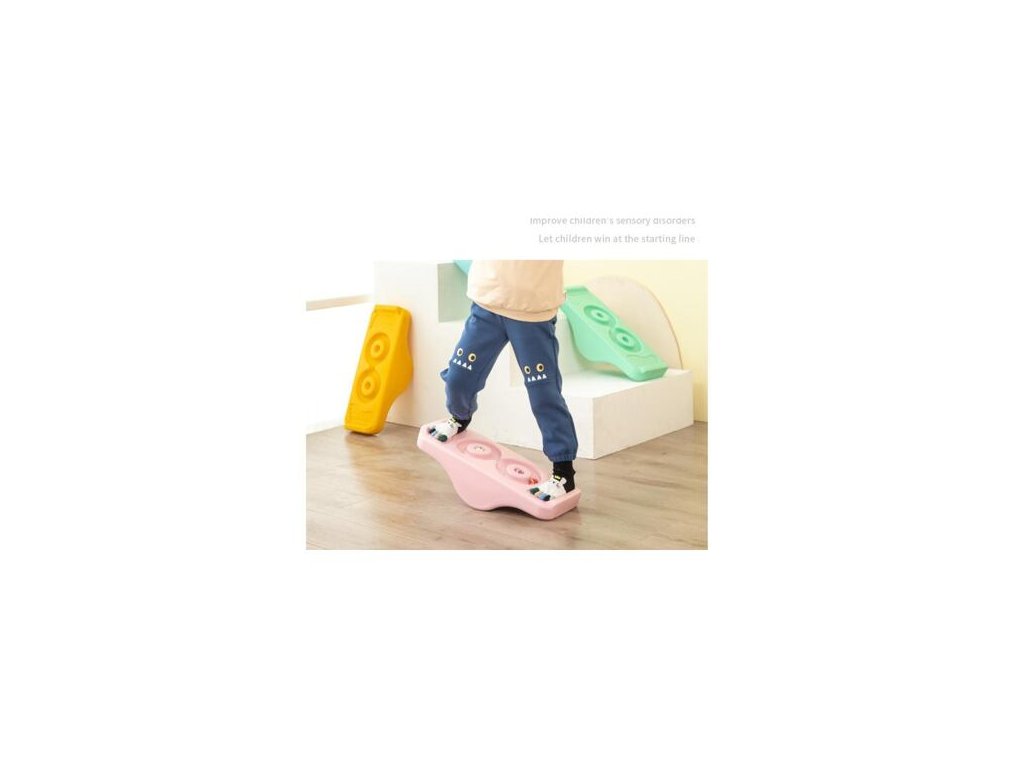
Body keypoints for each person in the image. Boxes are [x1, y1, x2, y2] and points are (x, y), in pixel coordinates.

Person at [427, 260, 578, 501]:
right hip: (487, 305)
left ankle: (563, 472)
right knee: (458, 377)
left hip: (532, 314)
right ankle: (459, 417)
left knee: (544, 395)